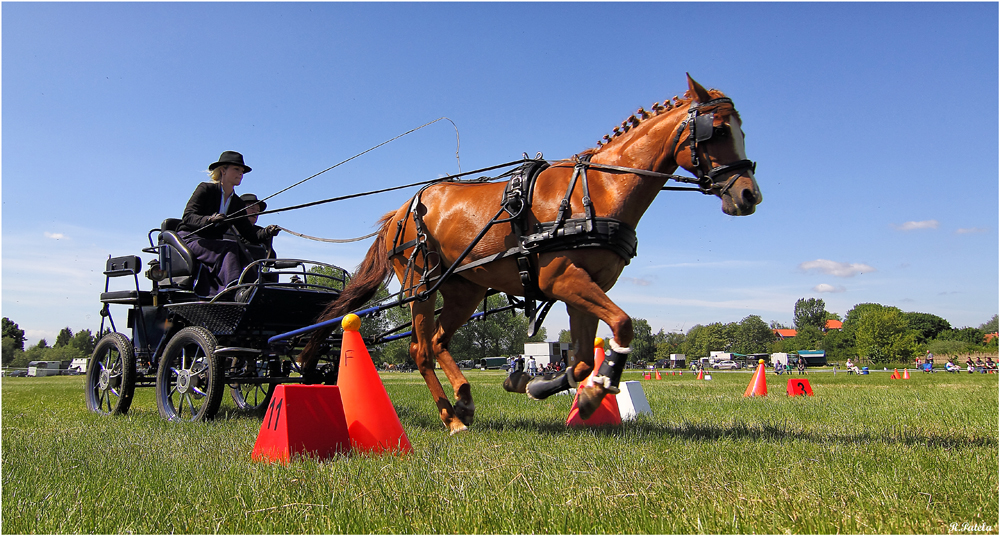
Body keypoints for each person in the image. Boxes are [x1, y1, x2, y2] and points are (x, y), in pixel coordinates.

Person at [178, 151, 279, 296]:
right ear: (223, 170)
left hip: (213, 243)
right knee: (230, 247)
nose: (240, 174)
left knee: (244, 250)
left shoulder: (237, 203)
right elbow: (188, 217)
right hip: (190, 239)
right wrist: (209, 220)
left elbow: (250, 234)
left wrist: (267, 232)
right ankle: (234, 289)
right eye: (236, 169)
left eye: (242, 171)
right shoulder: (205, 189)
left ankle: (254, 290)